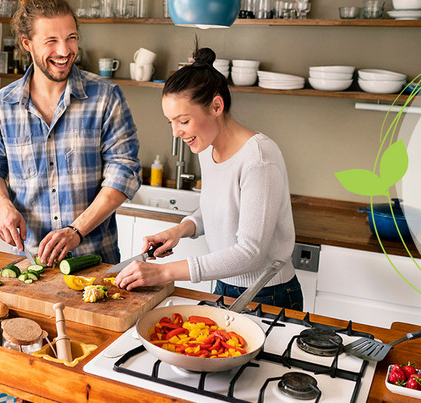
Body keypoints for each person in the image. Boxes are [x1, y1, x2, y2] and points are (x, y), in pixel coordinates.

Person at [113, 47, 302, 310]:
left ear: (216, 106)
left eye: (183, 121)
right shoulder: (208, 147)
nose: (176, 133)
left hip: (266, 293)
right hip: (224, 285)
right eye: (171, 122)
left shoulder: (259, 158)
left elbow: (250, 253)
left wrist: (164, 272)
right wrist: (180, 229)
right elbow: (218, 207)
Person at [0, 0, 140, 266]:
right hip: (30, 261)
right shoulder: (1, 105)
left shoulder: (106, 97)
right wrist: (3, 207)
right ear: (27, 43)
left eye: (71, 38)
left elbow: (124, 173)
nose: (64, 51)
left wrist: (77, 230)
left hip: (96, 260)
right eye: (51, 40)